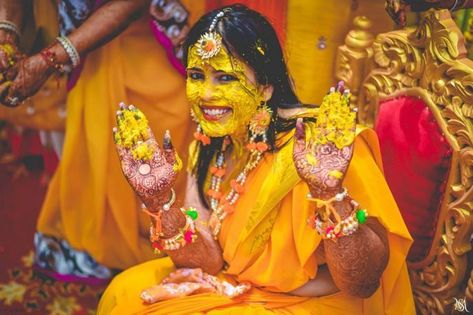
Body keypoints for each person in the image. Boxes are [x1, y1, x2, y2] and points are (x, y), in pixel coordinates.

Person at [99, 4, 415, 314]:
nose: (206, 94)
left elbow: (364, 282)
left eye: (225, 78)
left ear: (265, 87)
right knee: (123, 292)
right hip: (239, 286)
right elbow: (208, 262)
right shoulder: (210, 144)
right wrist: (160, 204)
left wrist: (329, 195)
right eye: (197, 75)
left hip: (316, 302)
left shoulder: (324, 147)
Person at [0, 0, 200, 281]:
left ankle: (173, 240)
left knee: (163, 134)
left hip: (147, 31)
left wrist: (50, 58)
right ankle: (109, 238)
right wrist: (6, 33)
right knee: (100, 142)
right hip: (87, 44)